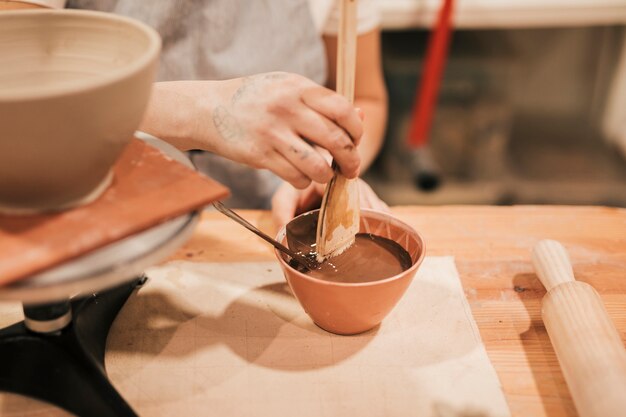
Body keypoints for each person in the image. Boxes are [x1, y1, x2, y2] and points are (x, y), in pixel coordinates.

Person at [1, 0, 390, 226]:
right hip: (95, 215)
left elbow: (366, 97)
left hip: (263, 222)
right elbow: (19, 91)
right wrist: (200, 112)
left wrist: (324, 167)